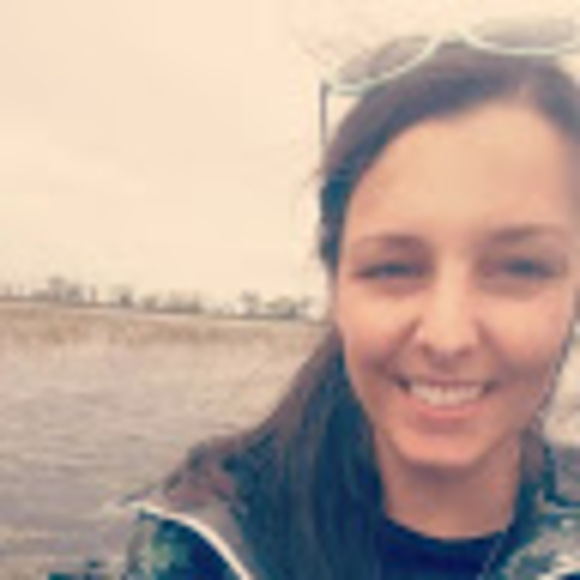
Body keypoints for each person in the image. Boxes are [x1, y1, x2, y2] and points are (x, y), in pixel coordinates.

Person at [122, 23, 580, 580]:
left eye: (520, 268)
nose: (447, 336)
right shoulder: (203, 544)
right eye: (393, 268)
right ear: (335, 284)